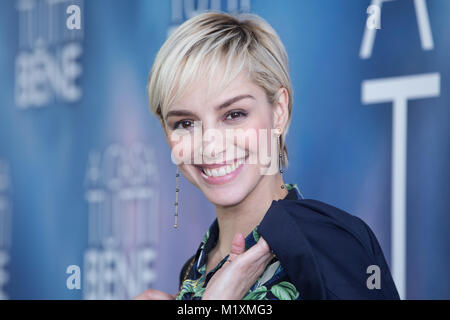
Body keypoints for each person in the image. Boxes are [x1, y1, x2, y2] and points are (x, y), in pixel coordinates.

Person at [134, 11, 400, 300]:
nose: (209, 146)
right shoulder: (194, 269)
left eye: (234, 114)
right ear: (165, 131)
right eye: (185, 123)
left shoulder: (331, 244)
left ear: (279, 111)